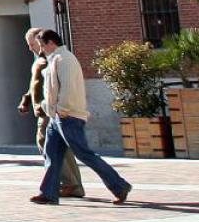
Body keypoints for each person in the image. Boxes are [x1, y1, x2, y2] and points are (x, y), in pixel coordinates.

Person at [31, 28, 132, 205]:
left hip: (67, 116)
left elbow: (68, 89)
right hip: (57, 117)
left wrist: (60, 109)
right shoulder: (56, 59)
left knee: (84, 154)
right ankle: (48, 192)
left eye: (42, 45)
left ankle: (119, 185)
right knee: (52, 154)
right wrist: (52, 109)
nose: (41, 50)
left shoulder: (65, 60)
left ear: (51, 43)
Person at [18, 27, 81, 197]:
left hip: (49, 111)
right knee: (62, 149)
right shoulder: (41, 60)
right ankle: (73, 186)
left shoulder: (49, 60)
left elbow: (53, 85)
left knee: (48, 147)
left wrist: (57, 108)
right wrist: (26, 100)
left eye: (32, 44)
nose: (30, 48)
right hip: (47, 109)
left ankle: (68, 184)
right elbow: (35, 85)